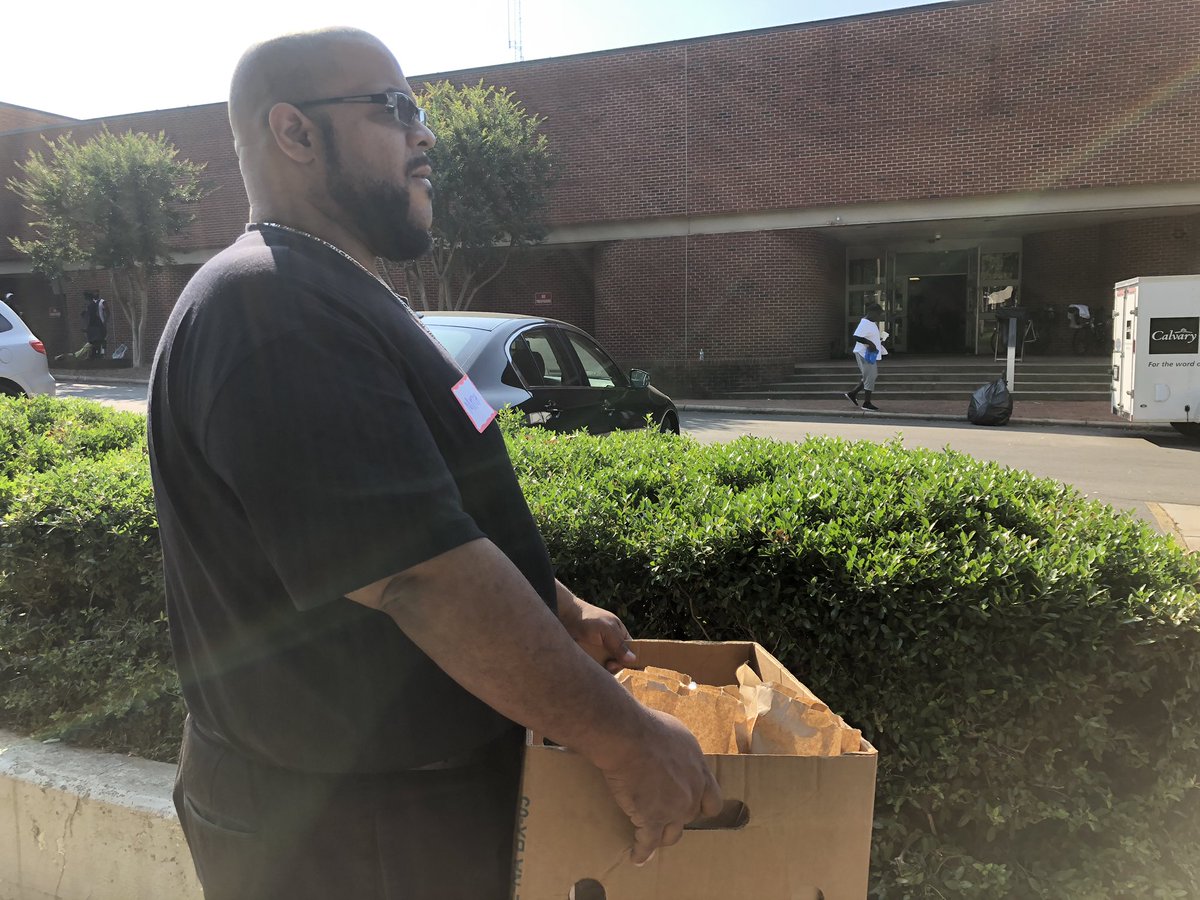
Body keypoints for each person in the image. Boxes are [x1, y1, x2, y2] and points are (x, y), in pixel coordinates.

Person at [147, 26, 720, 900]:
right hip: (340, 839)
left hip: (384, 822)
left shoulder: (333, 295)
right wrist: (625, 737)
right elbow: (419, 576)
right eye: (397, 108)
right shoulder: (273, 311)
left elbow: (427, 509)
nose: (427, 135)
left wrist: (557, 607)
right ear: (295, 133)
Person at [844, 302, 887, 411]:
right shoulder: (865, 322)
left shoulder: (871, 323)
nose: (879, 317)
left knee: (869, 376)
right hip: (864, 354)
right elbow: (857, 337)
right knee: (871, 376)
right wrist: (870, 343)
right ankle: (866, 403)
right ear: (871, 312)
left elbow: (869, 336)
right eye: (878, 314)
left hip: (869, 354)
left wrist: (879, 341)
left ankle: (853, 393)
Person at [81, 290, 107, 358]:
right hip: (95, 324)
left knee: (94, 341)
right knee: (95, 341)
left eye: (85, 299)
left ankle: (95, 355)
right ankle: (95, 354)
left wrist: (87, 327)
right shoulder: (91, 304)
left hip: (94, 325)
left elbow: (91, 316)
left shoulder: (91, 305)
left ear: (87, 299)